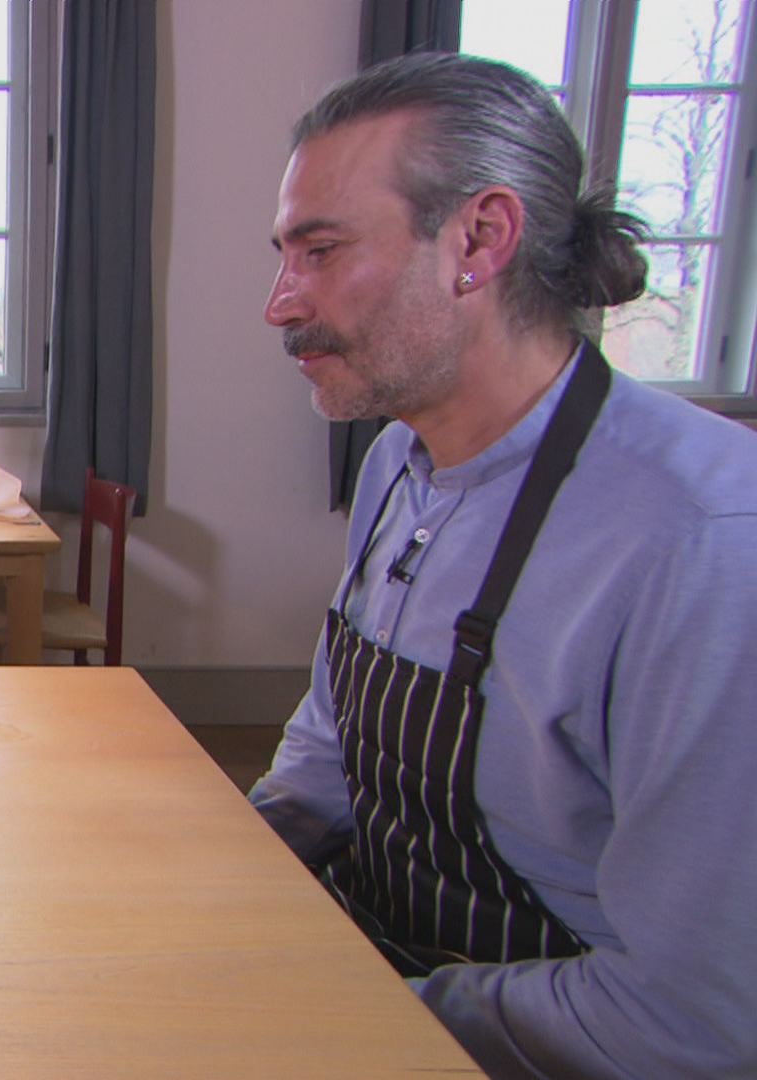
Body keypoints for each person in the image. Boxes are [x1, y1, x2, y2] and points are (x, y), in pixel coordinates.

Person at [250, 52, 757, 1079]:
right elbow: (329, 755)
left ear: (480, 239)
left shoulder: (703, 541)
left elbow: (694, 1021)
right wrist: (217, 885)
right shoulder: (397, 460)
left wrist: (349, 1016)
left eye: (320, 251)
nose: (280, 303)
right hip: (374, 964)